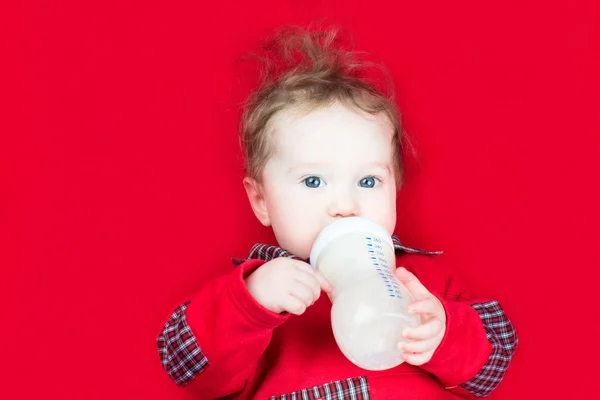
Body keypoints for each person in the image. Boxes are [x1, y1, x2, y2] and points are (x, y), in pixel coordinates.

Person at [156, 22, 517, 399]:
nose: (345, 206)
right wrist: (251, 302)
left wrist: (445, 332)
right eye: (313, 182)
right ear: (261, 201)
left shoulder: (419, 282)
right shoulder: (264, 292)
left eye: (367, 182)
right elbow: (188, 368)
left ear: (395, 186)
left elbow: (492, 365)